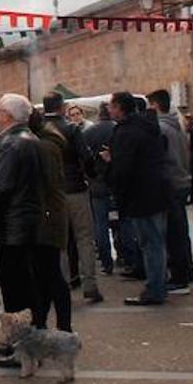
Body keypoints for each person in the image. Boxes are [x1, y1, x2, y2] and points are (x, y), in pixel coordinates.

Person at [0, 93, 43, 368]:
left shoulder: (12, 143)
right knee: (25, 286)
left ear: (7, 115)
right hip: (23, 221)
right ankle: (29, 344)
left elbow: (0, 187)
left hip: (12, 225)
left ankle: (22, 347)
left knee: (15, 289)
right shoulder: (28, 140)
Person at [102, 92, 169, 307]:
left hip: (140, 195)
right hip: (155, 191)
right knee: (155, 242)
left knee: (150, 244)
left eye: (111, 106)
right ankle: (158, 285)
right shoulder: (147, 126)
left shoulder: (126, 132)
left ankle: (154, 290)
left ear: (120, 108)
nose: (109, 110)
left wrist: (110, 163)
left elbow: (124, 169)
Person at [42, 92, 102, 304]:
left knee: (59, 242)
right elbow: (86, 158)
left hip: (51, 192)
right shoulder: (72, 129)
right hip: (75, 188)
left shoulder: (39, 130)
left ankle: (62, 285)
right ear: (62, 106)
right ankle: (90, 284)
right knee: (84, 237)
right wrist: (91, 175)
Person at [148, 89, 193, 295]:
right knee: (181, 231)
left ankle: (179, 277)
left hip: (172, 183)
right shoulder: (177, 126)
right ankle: (187, 270)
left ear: (156, 105)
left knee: (174, 233)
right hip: (182, 180)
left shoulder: (160, 128)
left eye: (150, 105)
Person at [29, 110, 73, 332]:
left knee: (51, 277)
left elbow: (47, 186)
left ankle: (60, 328)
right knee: (46, 277)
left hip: (46, 220)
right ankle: (43, 325)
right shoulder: (48, 143)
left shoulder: (43, 147)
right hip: (49, 217)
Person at [81, 103, 117, 275]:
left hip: (97, 184)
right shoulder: (118, 129)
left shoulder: (89, 133)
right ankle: (127, 257)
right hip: (116, 182)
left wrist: (91, 175)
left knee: (100, 225)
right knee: (122, 222)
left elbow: (85, 159)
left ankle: (106, 262)